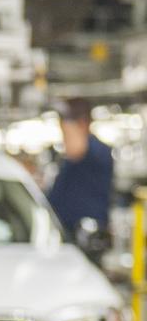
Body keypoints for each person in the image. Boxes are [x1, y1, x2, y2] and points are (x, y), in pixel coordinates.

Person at [47, 98, 113, 242]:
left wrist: (66, 115)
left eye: (65, 131)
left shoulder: (96, 150)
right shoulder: (76, 156)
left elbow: (76, 148)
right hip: (68, 232)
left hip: (86, 236)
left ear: (82, 123)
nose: (63, 137)